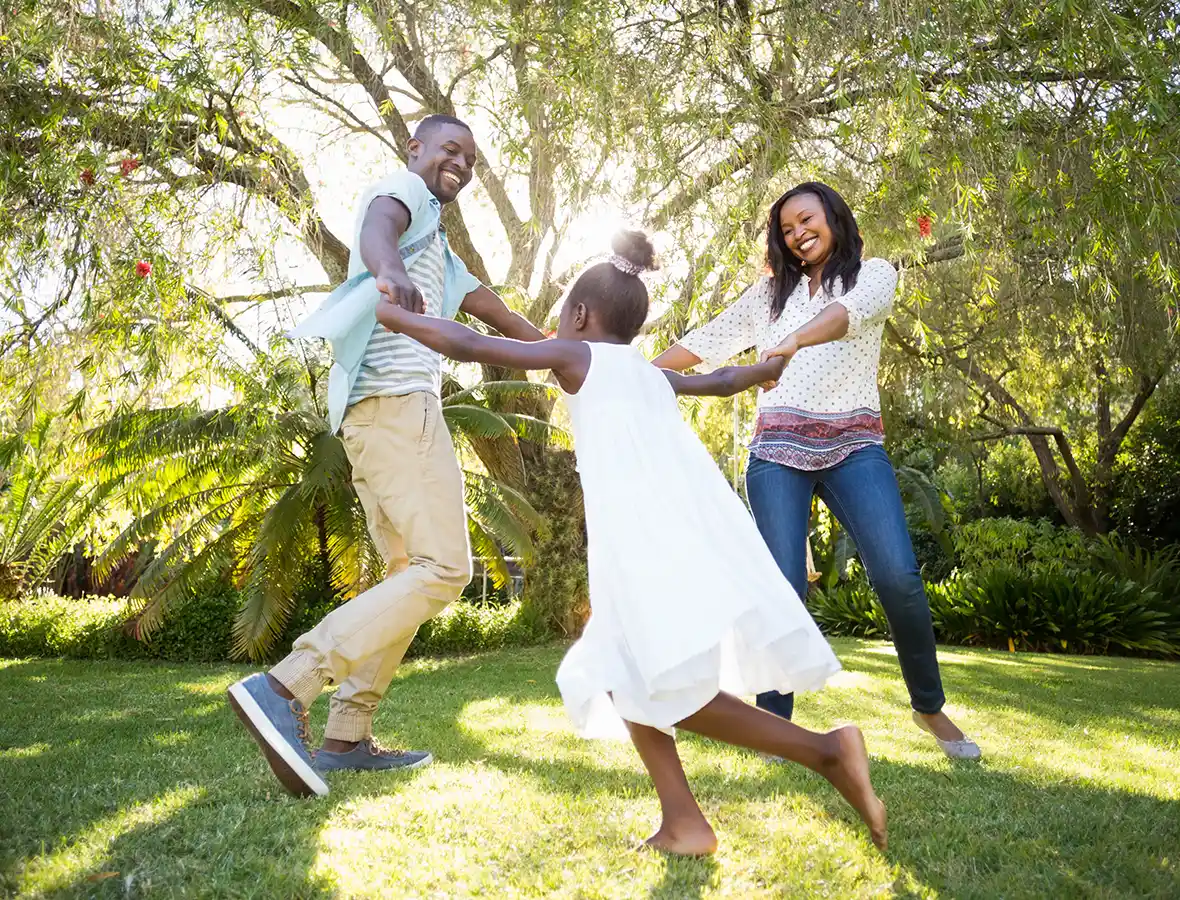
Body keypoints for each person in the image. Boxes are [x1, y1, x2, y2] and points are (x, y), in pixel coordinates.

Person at [376, 230, 887, 855]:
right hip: (673, 535)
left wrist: (399, 318)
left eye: (563, 315)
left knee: (667, 686)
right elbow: (722, 382)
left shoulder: (578, 359)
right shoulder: (646, 374)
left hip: (644, 546)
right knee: (623, 673)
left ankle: (827, 751)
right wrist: (764, 369)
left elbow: (476, 343)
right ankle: (685, 823)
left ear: (581, 317)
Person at [227, 114, 545, 798]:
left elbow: (510, 324)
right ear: (417, 150)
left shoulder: (446, 256)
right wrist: (390, 269)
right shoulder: (402, 195)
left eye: (471, 157)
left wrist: (572, 352)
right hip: (400, 408)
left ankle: (346, 735)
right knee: (445, 569)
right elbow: (378, 225)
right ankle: (287, 685)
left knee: (403, 573)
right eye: (449, 149)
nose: (460, 162)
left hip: (373, 424)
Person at [654, 182, 981, 760]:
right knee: (783, 589)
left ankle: (928, 708)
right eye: (786, 229)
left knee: (899, 577)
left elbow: (842, 318)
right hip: (777, 449)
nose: (798, 233)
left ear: (832, 216)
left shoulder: (873, 274)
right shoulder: (767, 295)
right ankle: (775, 731)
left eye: (806, 219)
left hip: (855, 444)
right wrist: (637, 375)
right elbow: (708, 340)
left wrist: (788, 344)